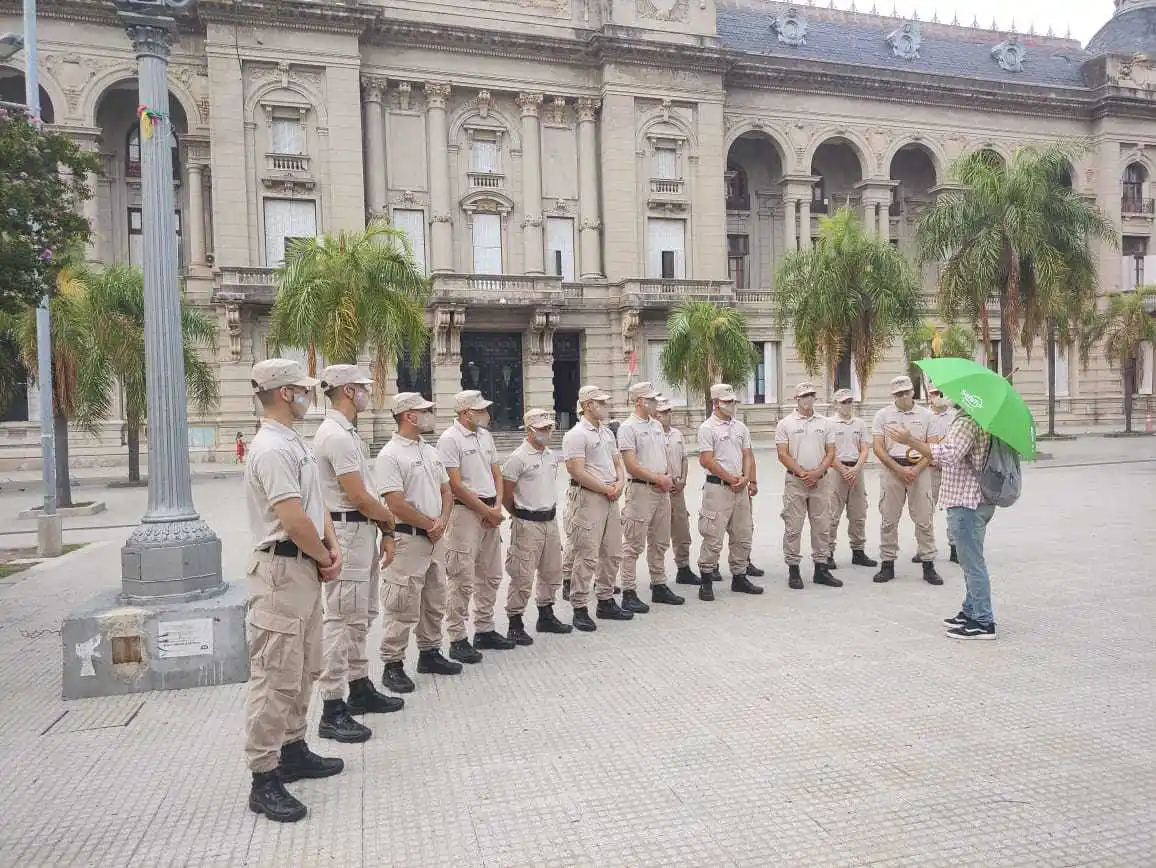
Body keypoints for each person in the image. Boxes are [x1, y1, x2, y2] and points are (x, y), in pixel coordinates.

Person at [243, 358, 345, 824]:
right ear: (285, 393)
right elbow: (290, 517)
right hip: (282, 571)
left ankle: (293, 747)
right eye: (304, 388)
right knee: (275, 675)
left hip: (305, 565)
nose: (310, 394)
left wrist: (331, 546)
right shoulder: (268, 447)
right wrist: (325, 556)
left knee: (305, 666)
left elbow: (315, 505)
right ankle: (264, 777)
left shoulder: (294, 442)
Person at [312, 365, 403, 745]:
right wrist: (390, 521)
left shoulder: (348, 433)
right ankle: (333, 706)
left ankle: (359, 684)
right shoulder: (336, 435)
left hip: (360, 529)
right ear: (349, 391)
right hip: (348, 529)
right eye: (364, 388)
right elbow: (359, 496)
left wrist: (381, 527)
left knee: (360, 616)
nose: (369, 393)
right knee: (341, 619)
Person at [375, 392, 462, 694]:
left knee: (434, 598)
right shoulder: (390, 455)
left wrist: (442, 522)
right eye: (424, 410)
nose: (430, 414)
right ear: (408, 416)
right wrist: (430, 524)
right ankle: (393, 664)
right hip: (408, 539)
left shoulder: (429, 450)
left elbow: (447, 491)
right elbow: (395, 503)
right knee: (401, 602)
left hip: (434, 538)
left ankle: (430, 652)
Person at [886, 413, 996, 639]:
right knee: (969, 561)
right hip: (979, 500)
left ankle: (984, 621)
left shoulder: (968, 421)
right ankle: (971, 611)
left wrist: (911, 441)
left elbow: (949, 455)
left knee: (973, 563)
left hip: (967, 501)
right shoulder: (984, 420)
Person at [439, 390, 512, 662]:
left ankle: (485, 627)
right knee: (461, 578)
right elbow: (455, 485)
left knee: (491, 574)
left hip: (490, 510)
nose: (486, 413)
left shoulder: (485, 436)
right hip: (467, 514)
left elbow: (496, 472)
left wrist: (497, 506)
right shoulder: (449, 439)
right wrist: (486, 510)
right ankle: (457, 637)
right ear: (465, 413)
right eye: (480, 410)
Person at [561, 385, 632, 630]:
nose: (605, 406)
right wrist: (605, 488)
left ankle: (605, 599)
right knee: (587, 554)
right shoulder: (576, 434)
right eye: (600, 402)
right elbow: (576, 470)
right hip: (588, 498)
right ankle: (579, 606)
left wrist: (620, 482)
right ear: (588, 405)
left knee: (613, 552)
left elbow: (617, 461)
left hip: (610, 495)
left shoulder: (607, 433)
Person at [501, 408, 573, 642]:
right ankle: (515, 621)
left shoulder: (550, 456)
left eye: (549, 427)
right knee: (522, 575)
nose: (547, 432)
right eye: (542, 428)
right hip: (527, 523)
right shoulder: (517, 458)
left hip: (549, 521)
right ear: (530, 430)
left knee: (551, 571)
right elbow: (506, 494)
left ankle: (546, 614)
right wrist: (520, 514)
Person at [616, 381, 684, 611]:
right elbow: (632, 465)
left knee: (660, 541)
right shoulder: (628, 428)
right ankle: (628, 590)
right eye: (651, 399)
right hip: (642, 490)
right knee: (633, 543)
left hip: (661, 490)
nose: (655, 403)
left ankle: (659, 584)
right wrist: (658, 478)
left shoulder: (655, 425)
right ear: (640, 402)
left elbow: (663, 455)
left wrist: (668, 476)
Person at [871, 375, 942, 585]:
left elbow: (933, 447)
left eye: (906, 392)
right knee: (888, 519)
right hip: (892, 469)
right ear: (893, 395)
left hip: (920, 469)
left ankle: (928, 562)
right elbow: (878, 447)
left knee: (924, 519)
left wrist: (915, 470)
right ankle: (887, 563)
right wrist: (899, 469)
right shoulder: (882, 416)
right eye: (898, 393)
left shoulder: (927, 415)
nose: (903, 396)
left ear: (913, 391)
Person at [696, 383, 763, 601]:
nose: (731, 406)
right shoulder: (707, 428)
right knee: (713, 535)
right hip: (718, 488)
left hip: (739, 487)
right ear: (715, 403)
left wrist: (746, 477)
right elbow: (707, 459)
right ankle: (706, 579)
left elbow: (747, 454)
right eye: (727, 402)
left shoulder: (740, 427)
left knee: (742, 534)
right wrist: (730, 478)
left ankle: (739, 576)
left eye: (733, 402)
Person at [775, 382, 839, 589]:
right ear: (796, 398)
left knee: (822, 526)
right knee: (793, 526)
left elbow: (830, 452)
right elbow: (782, 453)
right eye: (804, 396)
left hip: (820, 481)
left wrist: (818, 472)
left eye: (811, 395)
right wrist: (803, 473)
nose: (808, 399)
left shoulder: (825, 423)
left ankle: (821, 568)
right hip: (796, 481)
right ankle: (794, 569)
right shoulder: (786, 423)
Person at [826, 388, 877, 569]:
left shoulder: (860, 424)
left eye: (849, 401)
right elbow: (828, 452)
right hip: (836, 470)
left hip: (856, 469)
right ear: (836, 404)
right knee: (832, 513)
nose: (847, 405)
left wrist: (856, 468)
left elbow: (865, 448)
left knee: (858, 512)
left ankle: (858, 551)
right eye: (843, 402)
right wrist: (842, 469)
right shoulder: (828, 423)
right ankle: (827, 553)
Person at [656, 397, 699, 586]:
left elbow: (684, 459)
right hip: (658, 490)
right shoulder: (651, 434)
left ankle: (683, 568)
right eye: (664, 412)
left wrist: (683, 480)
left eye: (669, 411)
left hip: (677, 490)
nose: (668, 415)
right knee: (657, 534)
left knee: (682, 530)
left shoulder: (677, 434)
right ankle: (656, 576)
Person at [922, 387, 959, 564]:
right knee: (926, 509)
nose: (937, 397)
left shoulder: (956, 416)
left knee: (953, 510)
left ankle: (955, 547)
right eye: (933, 394)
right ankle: (924, 547)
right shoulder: (924, 416)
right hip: (930, 468)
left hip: (951, 468)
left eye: (940, 393)